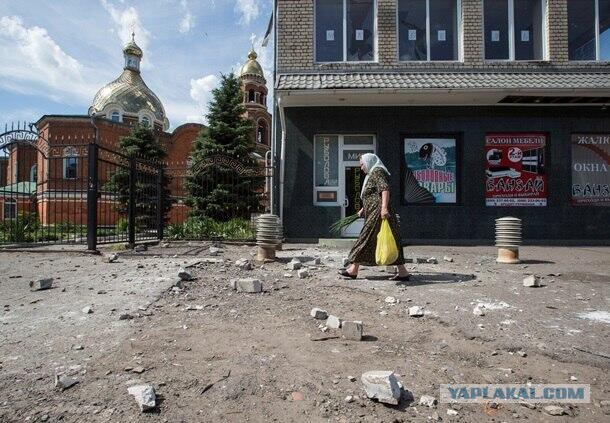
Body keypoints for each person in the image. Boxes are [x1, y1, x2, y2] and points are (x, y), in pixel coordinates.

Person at [339, 153, 410, 281]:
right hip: (374, 212)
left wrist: (383, 208)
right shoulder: (372, 173)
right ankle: (403, 273)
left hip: (377, 213)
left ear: (368, 161)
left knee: (364, 238)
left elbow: (384, 189)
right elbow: (372, 194)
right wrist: (362, 209)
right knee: (392, 239)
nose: (361, 168)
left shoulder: (377, 171)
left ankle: (353, 270)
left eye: (362, 164)